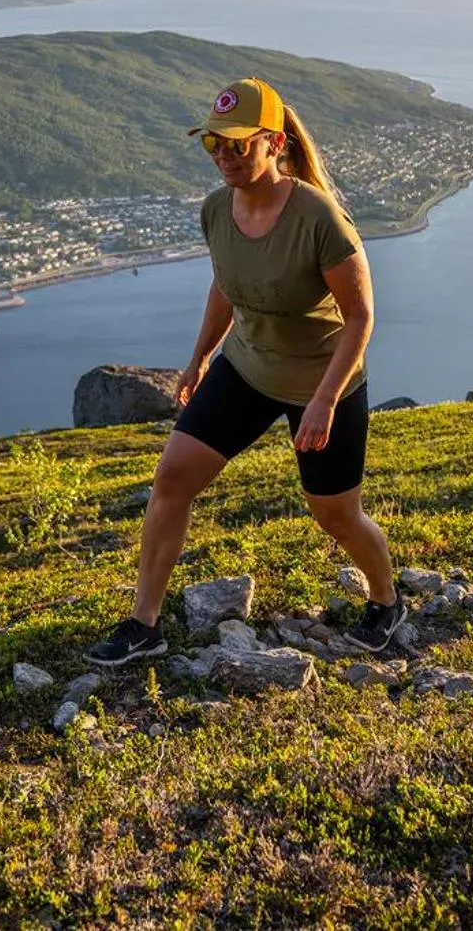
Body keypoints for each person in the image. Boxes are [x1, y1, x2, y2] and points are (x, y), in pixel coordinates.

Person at [85, 78, 407, 665]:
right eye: (214, 143)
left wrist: (325, 400)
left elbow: (360, 317)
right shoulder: (217, 210)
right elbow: (225, 286)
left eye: (237, 144)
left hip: (321, 382)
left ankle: (386, 599)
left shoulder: (320, 219)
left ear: (274, 143)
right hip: (247, 367)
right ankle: (144, 623)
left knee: (335, 515)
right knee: (172, 480)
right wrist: (200, 357)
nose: (224, 156)